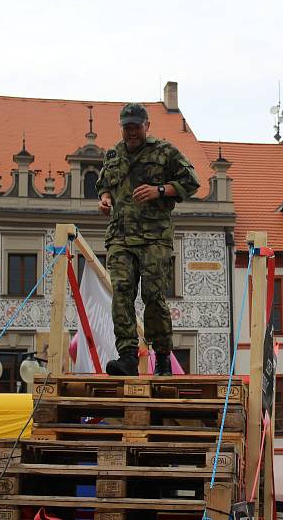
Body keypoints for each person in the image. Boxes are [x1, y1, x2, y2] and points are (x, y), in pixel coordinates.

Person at [96, 103, 200, 376]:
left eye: (136, 127)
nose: (131, 132)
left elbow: (191, 181)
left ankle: (163, 357)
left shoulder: (164, 152)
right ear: (121, 127)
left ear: (147, 126)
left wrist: (161, 190)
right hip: (120, 236)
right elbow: (104, 185)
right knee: (121, 292)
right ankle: (128, 356)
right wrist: (105, 199)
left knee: (153, 296)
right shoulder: (113, 154)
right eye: (127, 127)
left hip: (154, 237)